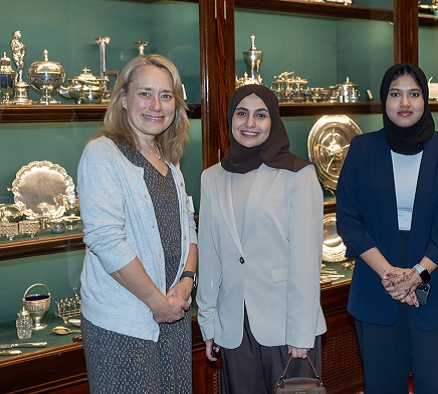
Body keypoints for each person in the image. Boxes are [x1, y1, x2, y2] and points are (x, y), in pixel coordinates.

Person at [335, 63, 438, 393]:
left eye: (414, 94)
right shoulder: (362, 149)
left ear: (425, 100)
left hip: (434, 282)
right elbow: (348, 219)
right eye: (395, 94)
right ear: (384, 100)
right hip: (375, 284)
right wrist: (390, 275)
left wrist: (416, 275)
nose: (405, 103)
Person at [77, 54, 198, 393]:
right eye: (145, 93)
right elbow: (105, 240)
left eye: (166, 95)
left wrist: (186, 284)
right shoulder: (102, 153)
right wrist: (158, 304)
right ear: (123, 98)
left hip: (173, 315)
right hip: (125, 322)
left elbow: (188, 227)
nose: (156, 105)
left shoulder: (167, 159)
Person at [196, 84, 327, 393]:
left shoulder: (298, 174)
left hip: (285, 324)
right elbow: (210, 254)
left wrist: (301, 331)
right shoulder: (212, 177)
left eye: (261, 115)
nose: (250, 124)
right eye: (241, 114)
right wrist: (209, 322)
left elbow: (307, 260)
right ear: (230, 119)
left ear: (274, 121)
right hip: (233, 327)